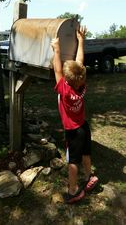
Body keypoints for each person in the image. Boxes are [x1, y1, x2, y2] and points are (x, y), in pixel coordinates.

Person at [51, 26, 98, 204]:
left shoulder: (64, 90)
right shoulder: (82, 86)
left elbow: (57, 71)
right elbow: (79, 62)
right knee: (86, 154)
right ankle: (89, 178)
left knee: (72, 162)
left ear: (67, 80)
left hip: (73, 131)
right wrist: (81, 40)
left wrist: (57, 50)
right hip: (84, 127)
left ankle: (73, 191)